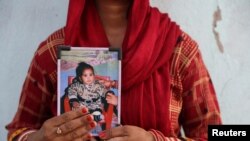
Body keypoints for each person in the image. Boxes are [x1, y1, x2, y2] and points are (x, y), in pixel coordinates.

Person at [6, 0, 222, 141]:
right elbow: (17, 132)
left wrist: (155, 140)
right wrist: (40, 137)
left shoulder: (178, 50)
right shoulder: (54, 52)